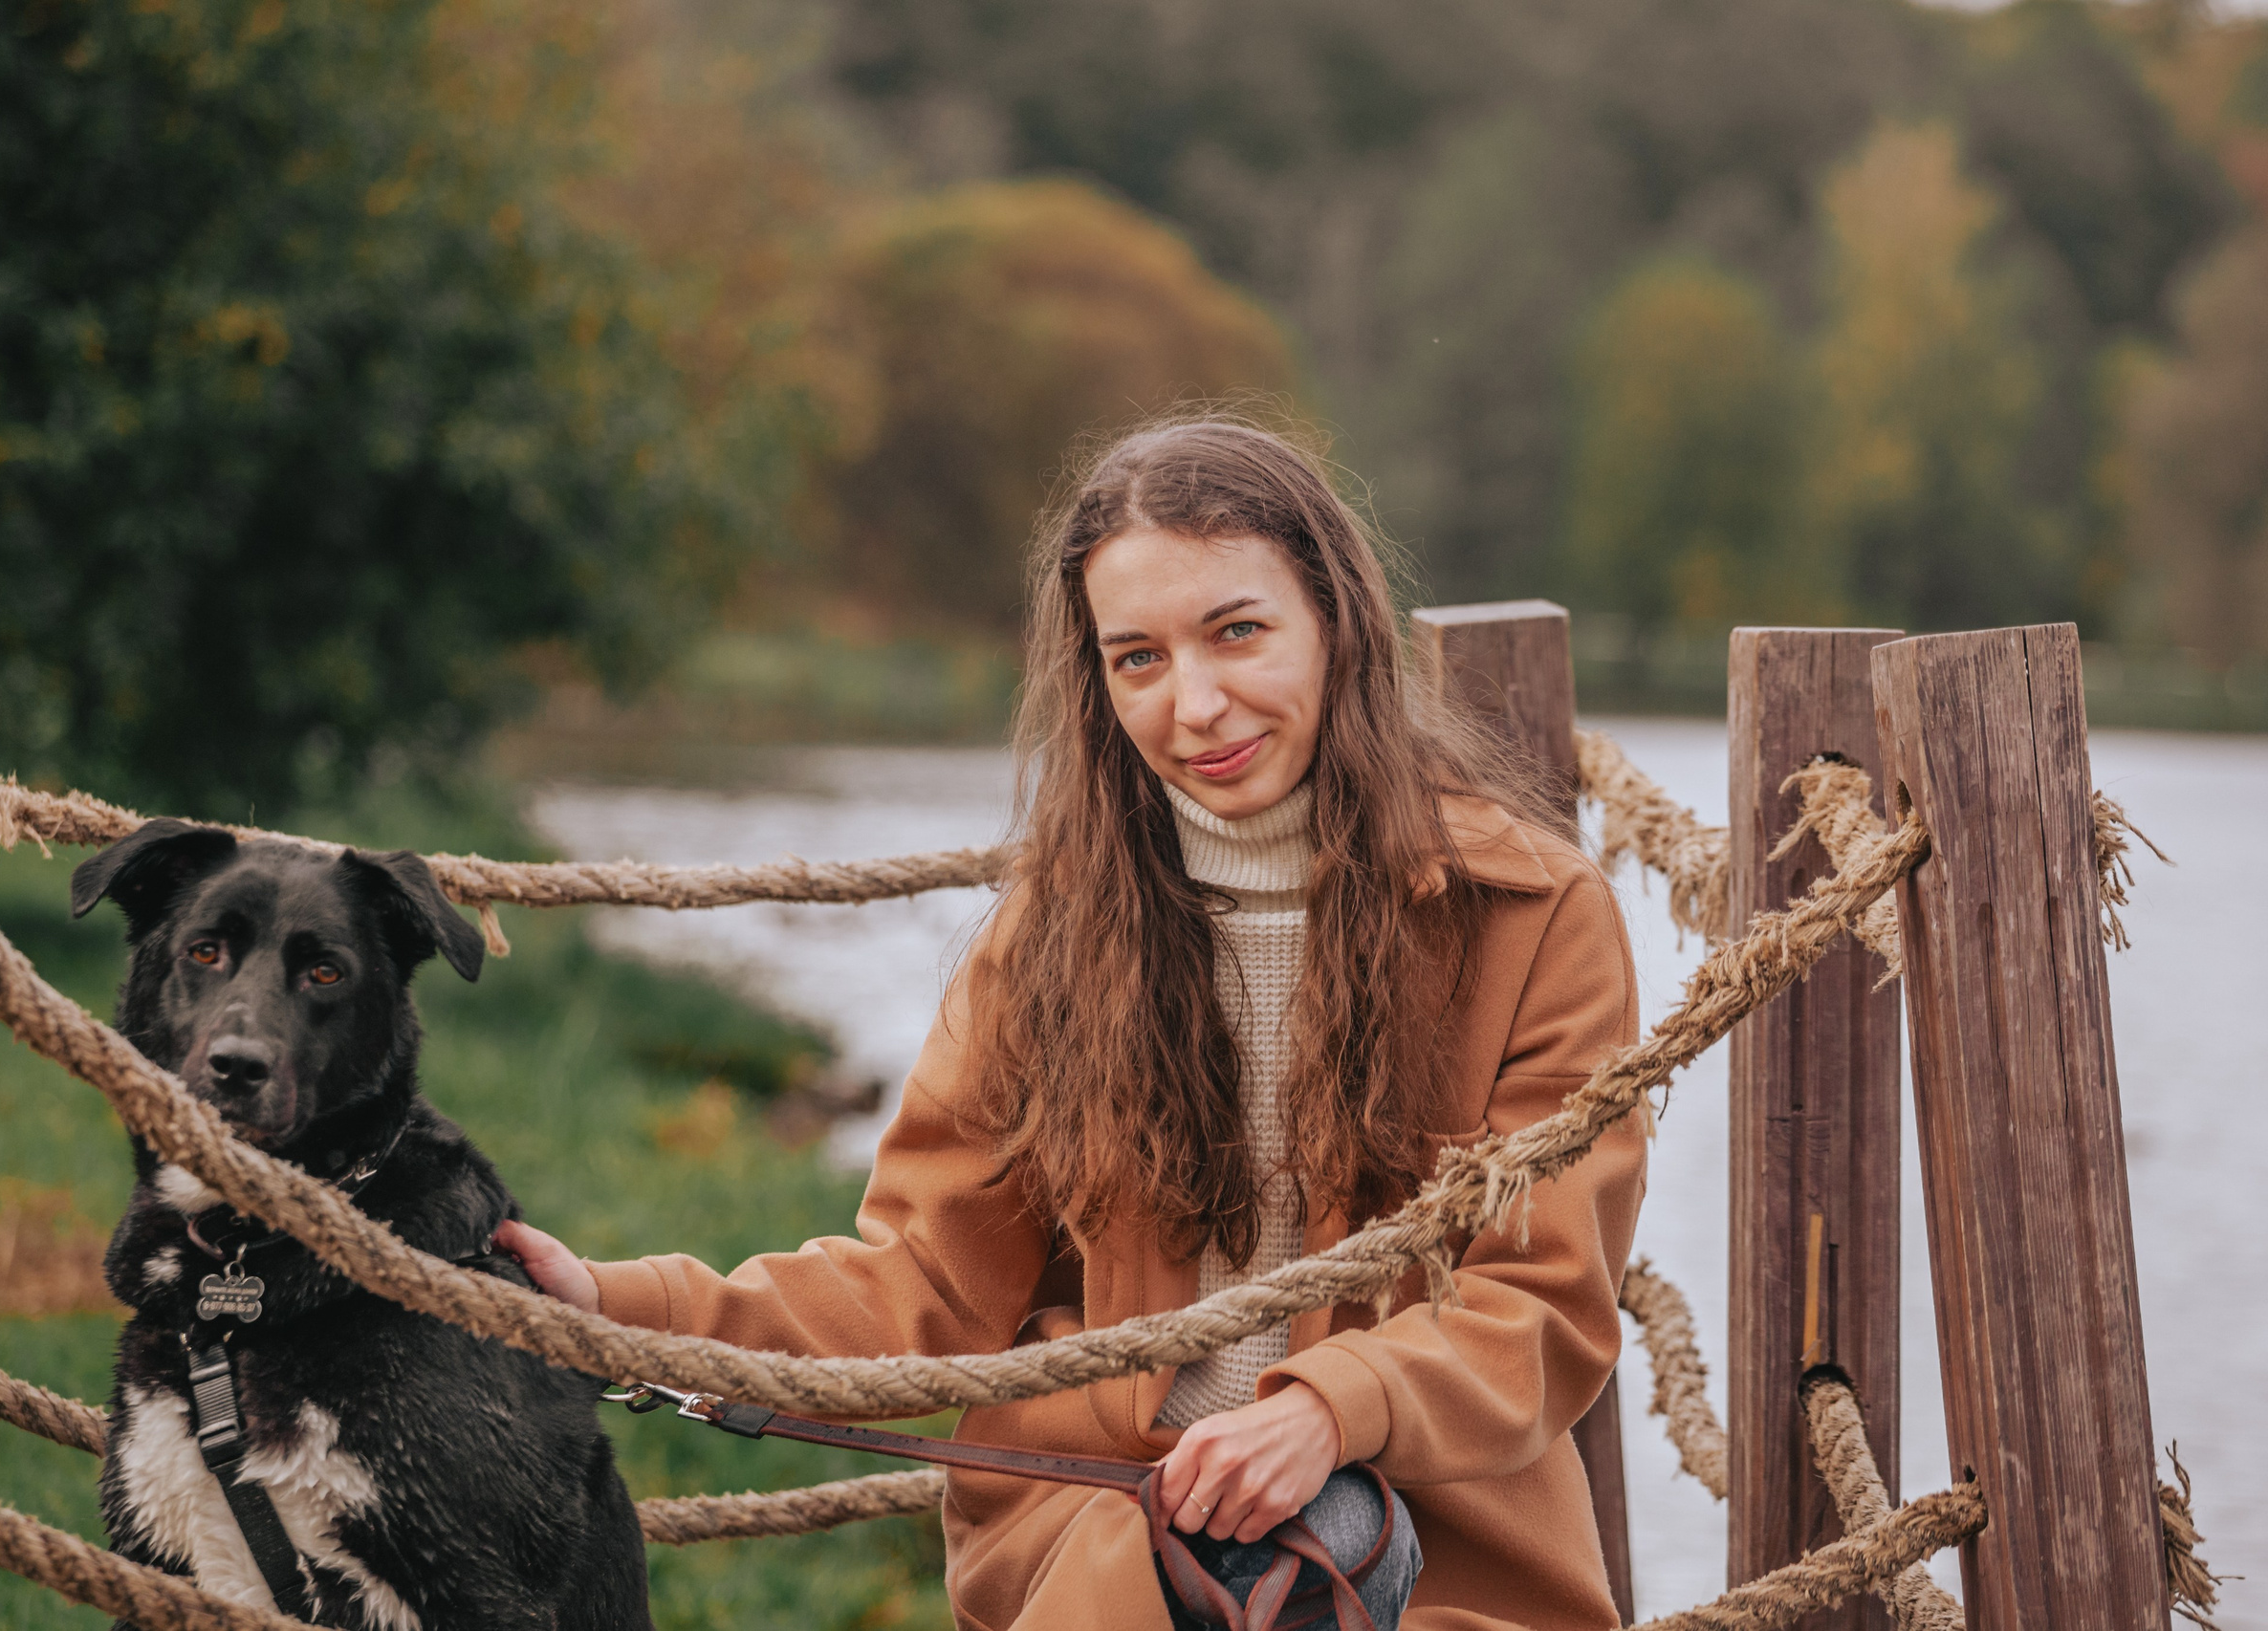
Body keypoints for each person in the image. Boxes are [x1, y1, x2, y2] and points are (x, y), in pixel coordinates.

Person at [498, 416, 1646, 1631]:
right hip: (1106, 1523)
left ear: (1337, 621)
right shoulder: (1056, 930)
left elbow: (1540, 1301)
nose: (1194, 705)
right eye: (1137, 657)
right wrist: (616, 1306)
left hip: (1427, 1542)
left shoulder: (1531, 915)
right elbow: (924, 1280)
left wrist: (1329, 1406)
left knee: (1339, 1538)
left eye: (1237, 631)